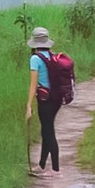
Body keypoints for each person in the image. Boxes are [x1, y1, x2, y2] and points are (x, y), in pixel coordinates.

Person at [26, 27, 61, 172]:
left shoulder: (35, 58)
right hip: (56, 99)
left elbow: (33, 84)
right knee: (46, 131)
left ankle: (56, 170)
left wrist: (28, 105)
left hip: (45, 100)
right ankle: (41, 165)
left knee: (48, 133)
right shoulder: (51, 55)